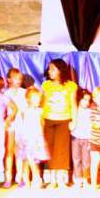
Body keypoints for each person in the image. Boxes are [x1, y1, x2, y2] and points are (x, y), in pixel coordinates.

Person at [41, 59, 77, 189]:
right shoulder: (46, 85)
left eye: (53, 69)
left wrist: (74, 121)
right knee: (50, 150)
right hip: (48, 120)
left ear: (60, 70)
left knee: (61, 151)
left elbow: (73, 104)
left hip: (64, 120)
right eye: (49, 69)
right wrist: (41, 121)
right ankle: (52, 180)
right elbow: (43, 103)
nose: (49, 71)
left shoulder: (70, 86)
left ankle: (61, 179)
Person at [16, 87, 48, 189]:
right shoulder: (24, 110)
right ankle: (27, 181)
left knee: (34, 160)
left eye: (38, 98)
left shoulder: (40, 111)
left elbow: (42, 125)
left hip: (36, 138)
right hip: (25, 138)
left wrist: (41, 138)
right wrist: (19, 138)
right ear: (28, 99)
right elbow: (21, 124)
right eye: (35, 98)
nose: (38, 100)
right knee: (26, 160)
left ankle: (36, 178)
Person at [4, 68, 27, 188]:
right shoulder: (5, 93)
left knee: (20, 151)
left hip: (21, 124)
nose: (18, 81)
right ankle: (8, 177)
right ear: (9, 80)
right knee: (9, 150)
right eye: (15, 78)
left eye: (20, 78)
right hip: (11, 124)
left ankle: (20, 177)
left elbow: (26, 109)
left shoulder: (24, 92)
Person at [71, 89, 93, 189]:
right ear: (79, 99)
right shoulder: (75, 110)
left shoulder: (90, 111)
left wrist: (91, 140)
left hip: (87, 139)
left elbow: (92, 126)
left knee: (86, 160)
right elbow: (71, 123)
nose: (86, 102)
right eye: (84, 99)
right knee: (76, 159)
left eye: (88, 100)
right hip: (75, 138)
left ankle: (85, 179)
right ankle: (77, 179)